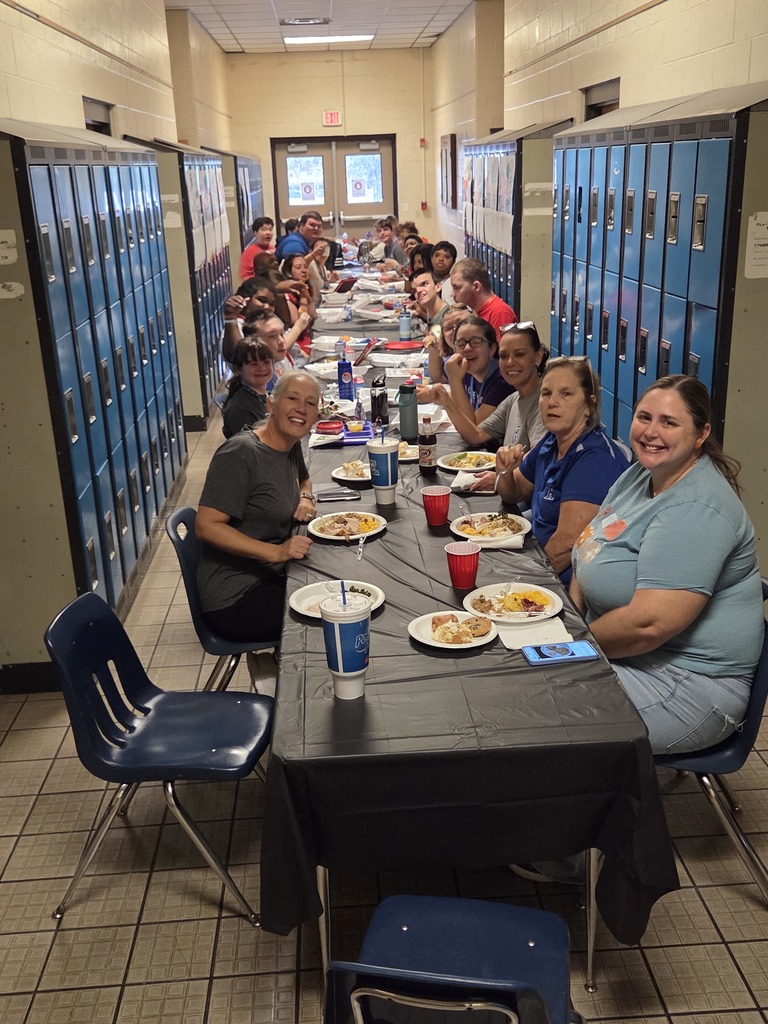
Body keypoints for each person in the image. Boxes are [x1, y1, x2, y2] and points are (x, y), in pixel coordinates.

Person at [571, 375, 763, 754]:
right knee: (524, 682)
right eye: (644, 417)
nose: (651, 432)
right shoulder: (641, 474)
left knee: (536, 717)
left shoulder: (696, 507)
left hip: (687, 685)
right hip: (630, 657)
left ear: (700, 434)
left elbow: (648, 624)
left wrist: (571, 644)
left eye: (669, 422)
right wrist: (568, 626)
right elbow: (588, 545)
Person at [196, 371, 320, 643]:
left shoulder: (288, 442)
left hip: (271, 576)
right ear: (271, 405)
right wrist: (275, 552)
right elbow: (206, 526)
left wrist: (305, 498)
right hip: (236, 597)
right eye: (293, 398)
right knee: (335, 614)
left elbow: (305, 478)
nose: (301, 408)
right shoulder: (241, 454)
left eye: (311, 403)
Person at [494, 356, 630, 584]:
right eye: (546, 393)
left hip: (564, 584)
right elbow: (514, 492)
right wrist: (504, 470)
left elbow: (565, 547)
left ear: (589, 405)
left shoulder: (594, 459)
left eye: (565, 394)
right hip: (538, 558)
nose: (552, 402)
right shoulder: (551, 442)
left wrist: (518, 584)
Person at [432, 322, 548, 489]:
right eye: (503, 356)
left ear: (538, 356)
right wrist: (446, 401)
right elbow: (476, 435)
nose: (510, 362)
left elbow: (539, 459)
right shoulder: (513, 399)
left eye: (519, 354)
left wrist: (501, 478)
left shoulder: (544, 402)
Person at [417, 315, 515, 424]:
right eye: (461, 343)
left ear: (492, 348)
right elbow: (460, 396)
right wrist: (433, 394)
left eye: (476, 342)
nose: (467, 348)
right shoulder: (466, 368)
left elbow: (472, 426)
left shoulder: (502, 382)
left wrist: (454, 380)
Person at [450, 257, 516, 339]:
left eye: (457, 288)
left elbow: (500, 350)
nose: (452, 294)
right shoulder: (475, 311)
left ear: (476, 287)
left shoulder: (499, 312)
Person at [222, 338, 273, 439]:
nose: (262, 368)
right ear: (238, 369)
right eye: (254, 364)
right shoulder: (241, 411)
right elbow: (256, 450)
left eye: (266, 362)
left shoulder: (263, 395)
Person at [242, 308, 296, 384]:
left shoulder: (281, 361)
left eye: (281, 334)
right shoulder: (258, 378)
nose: (282, 341)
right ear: (254, 342)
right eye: (272, 336)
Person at [279, 253, 317, 356]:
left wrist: (307, 296)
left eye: (305, 267)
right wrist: (304, 299)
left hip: (308, 337)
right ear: (289, 273)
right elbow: (299, 322)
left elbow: (313, 316)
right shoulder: (286, 294)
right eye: (298, 267)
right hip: (295, 343)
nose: (304, 270)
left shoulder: (307, 287)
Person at [423, 303, 470, 383]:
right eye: (448, 328)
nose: (455, 330)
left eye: (460, 323)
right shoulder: (451, 358)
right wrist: (434, 349)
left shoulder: (476, 358)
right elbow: (438, 378)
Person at [239, 216, 275, 281]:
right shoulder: (249, 253)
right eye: (264, 229)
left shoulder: (273, 249)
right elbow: (245, 278)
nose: (268, 233)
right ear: (256, 233)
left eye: (270, 229)